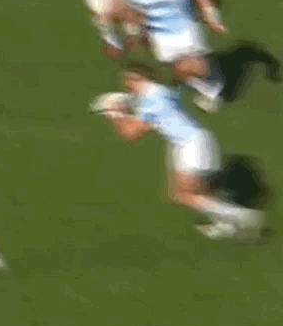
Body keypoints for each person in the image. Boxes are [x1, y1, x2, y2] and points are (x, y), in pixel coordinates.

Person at [94, 63, 263, 239]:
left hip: (191, 144)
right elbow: (154, 121)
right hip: (187, 143)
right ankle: (227, 224)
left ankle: (242, 216)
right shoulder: (160, 93)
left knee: (184, 195)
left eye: (129, 80)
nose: (127, 85)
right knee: (198, 192)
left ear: (141, 77)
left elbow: (131, 134)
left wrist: (113, 112)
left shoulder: (151, 100)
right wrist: (126, 111)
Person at [120, 0, 226, 112]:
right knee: (179, 69)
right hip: (160, 38)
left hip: (186, 31)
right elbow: (132, 12)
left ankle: (214, 86)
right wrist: (135, 32)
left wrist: (213, 20)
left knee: (194, 66)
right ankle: (210, 89)